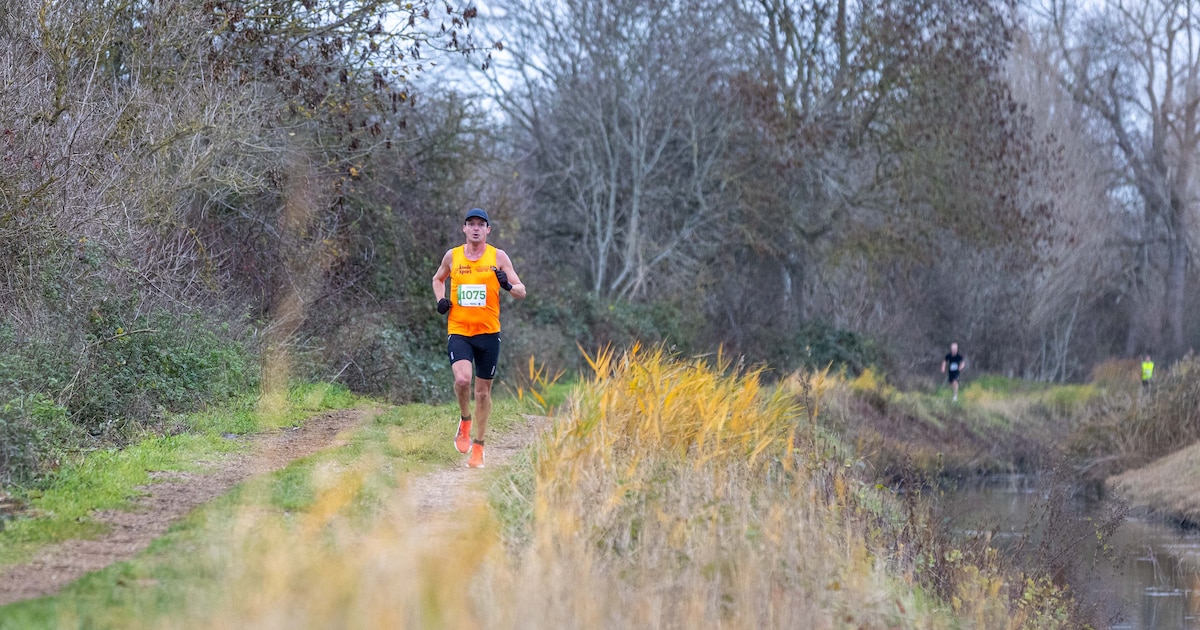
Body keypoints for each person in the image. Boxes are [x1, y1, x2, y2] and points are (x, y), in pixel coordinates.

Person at [431, 208, 527, 468]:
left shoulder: (499, 256)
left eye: (480, 224)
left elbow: (521, 291)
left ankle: (479, 446)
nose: (475, 228)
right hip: (460, 330)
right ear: (464, 228)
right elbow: (438, 279)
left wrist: (506, 285)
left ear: (488, 230)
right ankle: (465, 421)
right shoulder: (453, 256)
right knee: (462, 380)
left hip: (488, 333)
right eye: (470, 224)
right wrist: (441, 299)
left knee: (483, 393)